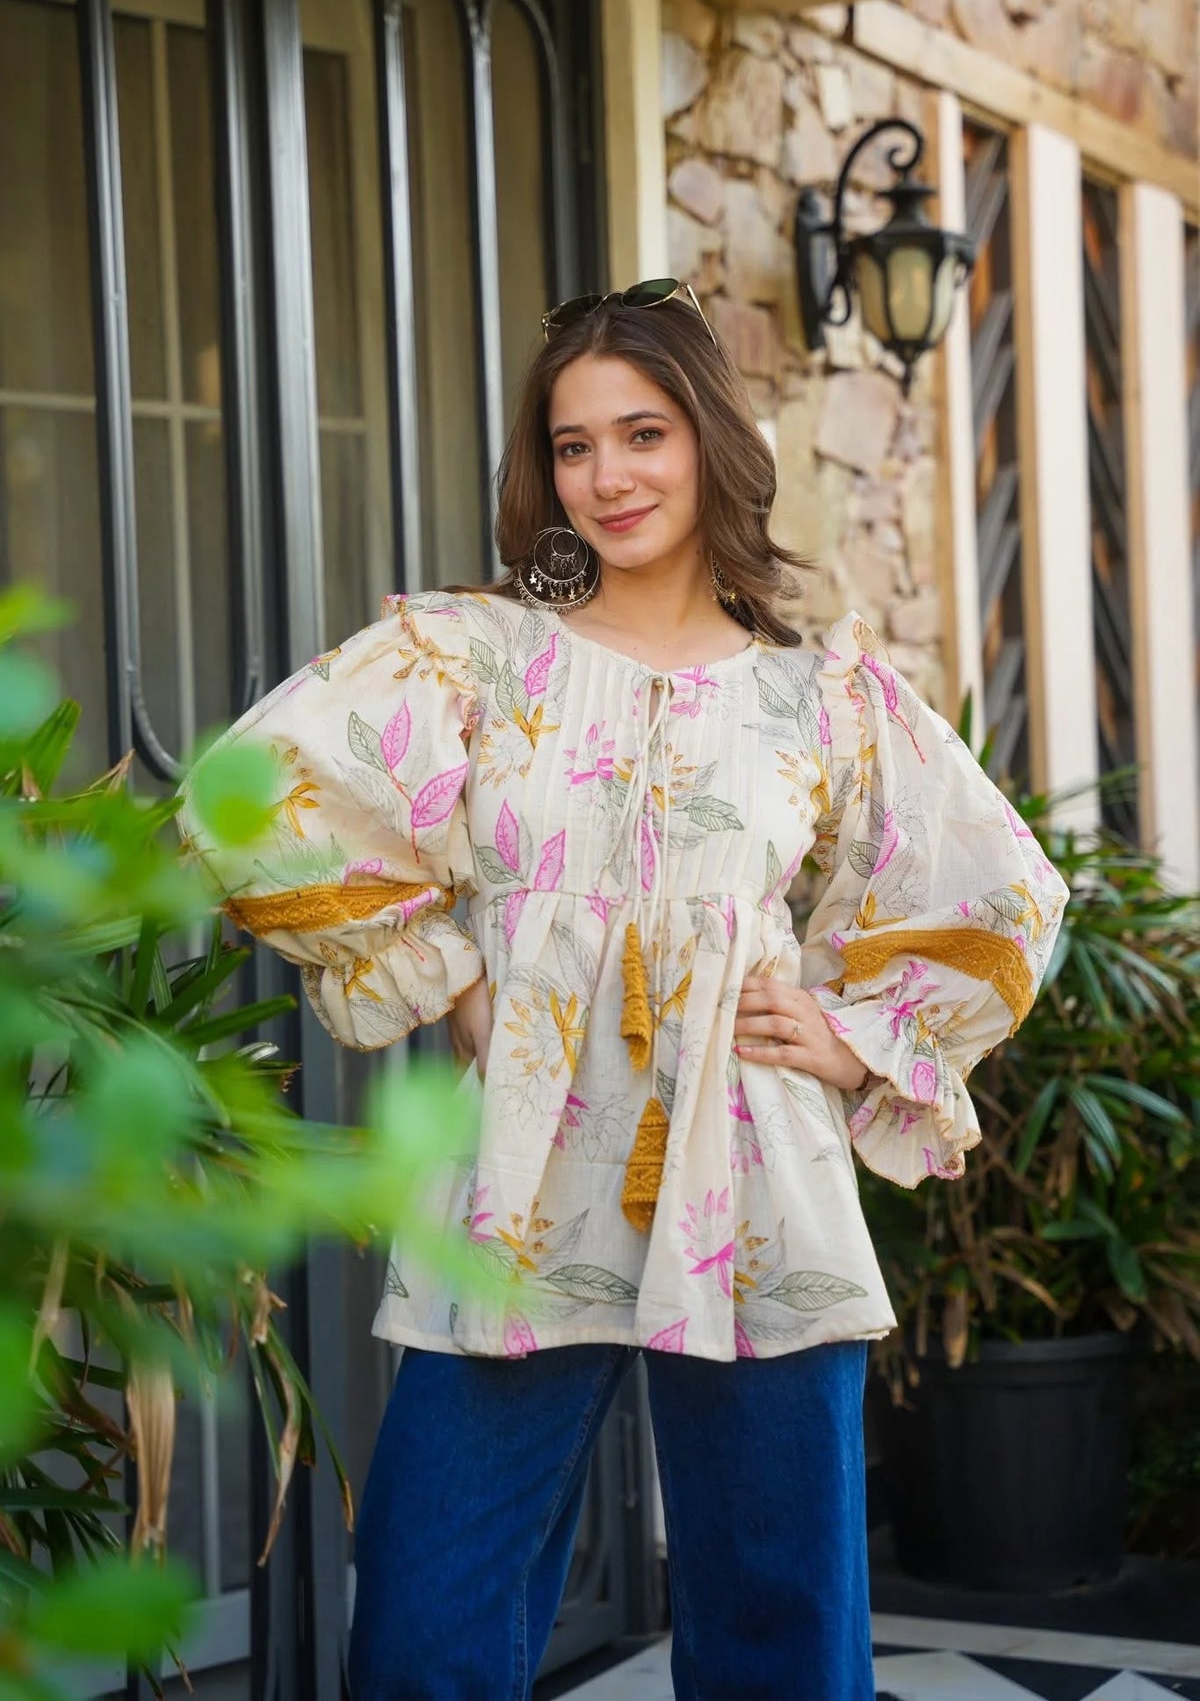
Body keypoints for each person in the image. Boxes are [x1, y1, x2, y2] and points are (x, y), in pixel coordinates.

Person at [178, 278, 1068, 1700]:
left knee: (781, 1627)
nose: (608, 477)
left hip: (758, 1167)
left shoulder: (820, 693)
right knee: (426, 1616)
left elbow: (1001, 888)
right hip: (523, 1175)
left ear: (711, 439)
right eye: (574, 445)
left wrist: (856, 1040)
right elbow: (249, 796)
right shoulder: (474, 657)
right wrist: (450, 973)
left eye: (643, 434)